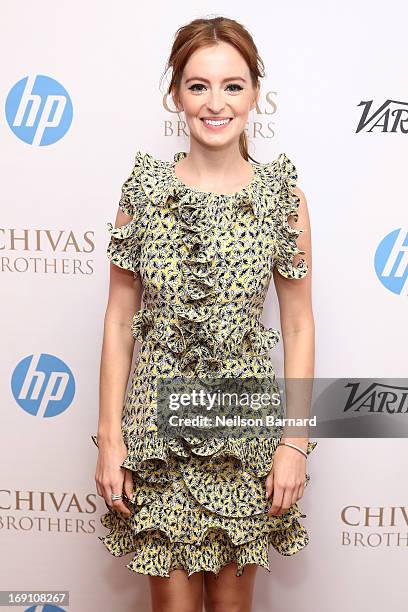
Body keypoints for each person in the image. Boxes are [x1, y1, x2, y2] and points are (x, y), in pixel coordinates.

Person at [92, 15, 317, 612]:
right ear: (176, 95)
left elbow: (297, 323)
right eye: (198, 86)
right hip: (157, 435)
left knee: (233, 607)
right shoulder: (142, 193)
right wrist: (109, 439)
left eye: (232, 85)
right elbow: (118, 321)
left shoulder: (281, 197)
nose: (215, 103)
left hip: (246, 437)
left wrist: (295, 442)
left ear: (254, 95)